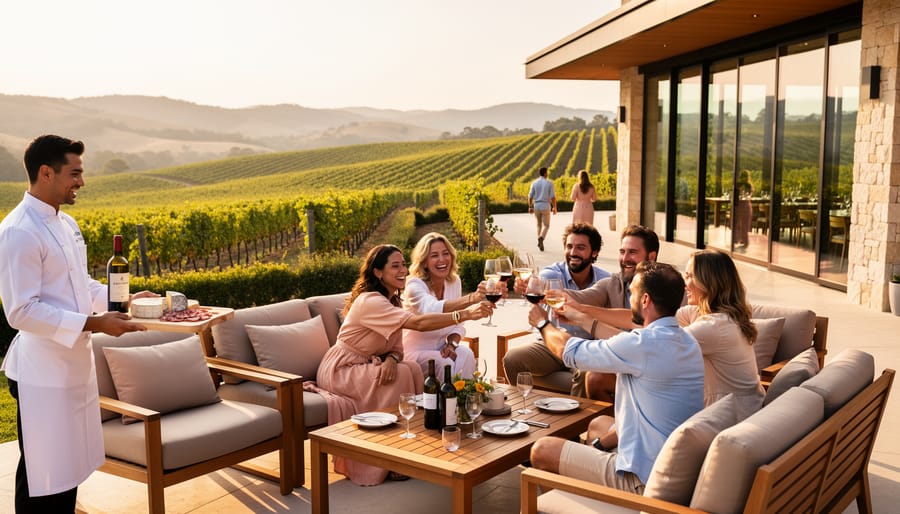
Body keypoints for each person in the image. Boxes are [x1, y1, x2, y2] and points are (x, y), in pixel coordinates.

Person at [0, 134, 156, 512]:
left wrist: (123, 301)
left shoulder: (67, 224)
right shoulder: (19, 231)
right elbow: (20, 311)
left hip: (71, 367)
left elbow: (79, 284)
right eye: (75, 173)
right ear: (46, 173)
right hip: (41, 372)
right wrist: (96, 324)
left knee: (66, 471)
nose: (81, 182)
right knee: (41, 474)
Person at [311, 244, 492, 486]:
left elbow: (397, 349)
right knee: (402, 376)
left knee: (410, 369)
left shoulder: (393, 302)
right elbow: (417, 323)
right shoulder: (370, 301)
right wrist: (465, 314)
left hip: (368, 364)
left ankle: (410, 447)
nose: (403, 271)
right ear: (378, 272)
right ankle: (384, 460)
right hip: (342, 368)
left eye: (403, 265)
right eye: (395, 266)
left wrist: (391, 360)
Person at [526, 261, 704, 494]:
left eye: (632, 294)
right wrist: (579, 318)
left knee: (542, 450)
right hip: (670, 464)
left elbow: (569, 353)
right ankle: (587, 496)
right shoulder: (685, 341)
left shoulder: (642, 345)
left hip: (642, 480)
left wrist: (542, 323)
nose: (630, 299)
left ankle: (566, 504)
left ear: (646, 300)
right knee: (598, 425)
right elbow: (624, 343)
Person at [504, 223, 610, 396]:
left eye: (581, 247)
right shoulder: (552, 274)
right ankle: (524, 408)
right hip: (552, 344)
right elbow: (537, 283)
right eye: (569, 246)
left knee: (586, 375)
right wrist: (526, 284)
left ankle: (575, 420)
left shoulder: (605, 280)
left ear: (595, 252)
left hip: (585, 347)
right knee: (512, 359)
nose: (573, 252)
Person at [678, 249, 764, 418]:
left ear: (708, 282)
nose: (685, 283)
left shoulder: (714, 326)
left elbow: (657, 344)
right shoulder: (717, 316)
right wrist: (608, 313)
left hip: (727, 419)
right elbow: (652, 321)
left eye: (690, 276)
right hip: (740, 411)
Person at [402, 232, 486, 379]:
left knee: (466, 354)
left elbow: (458, 325)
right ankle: (443, 401)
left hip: (441, 350)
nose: (442, 259)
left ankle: (466, 399)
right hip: (413, 353)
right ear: (424, 262)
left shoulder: (454, 282)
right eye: (434, 255)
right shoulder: (414, 285)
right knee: (442, 362)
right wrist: (472, 298)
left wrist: (451, 344)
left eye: (445, 253)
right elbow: (431, 309)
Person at [528, 166, 557, 251]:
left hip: (536, 205)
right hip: (545, 205)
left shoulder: (534, 183)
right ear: (545, 173)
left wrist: (530, 206)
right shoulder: (549, 183)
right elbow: (553, 197)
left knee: (538, 225)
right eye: (547, 172)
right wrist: (554, 207)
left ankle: (539, 240)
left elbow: (530, 196)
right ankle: (541, 238)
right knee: (546, 225)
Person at [733, 170, 754, 248]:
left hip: (744, 205)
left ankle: (742, 240)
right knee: (739, 224)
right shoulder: (739, 185)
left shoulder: (748, 186)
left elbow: (749, 195)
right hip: (742, 205)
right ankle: (739, 240)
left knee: (743, 224)